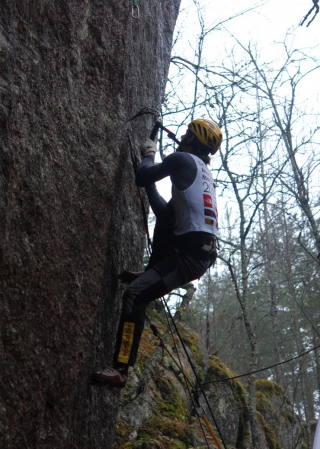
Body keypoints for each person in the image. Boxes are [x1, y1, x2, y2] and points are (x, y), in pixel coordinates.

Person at [91, 118, 222, 388]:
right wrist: (149, 186)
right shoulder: (201, 173)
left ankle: (121, 369)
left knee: (136, 294)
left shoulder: (183, 160)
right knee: (166, 223)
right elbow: (164, 214)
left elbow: (143, 174)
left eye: (186, 134)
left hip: (191, 256)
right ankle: (152, 272)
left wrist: (149, 154)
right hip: (194, 249)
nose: (182, 136)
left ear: (192, 140)